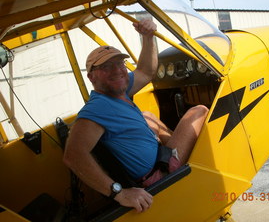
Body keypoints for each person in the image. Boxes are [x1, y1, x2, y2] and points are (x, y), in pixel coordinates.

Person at [63, 18, 208, 213]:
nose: (117, 70)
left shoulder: (118, 90)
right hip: (158, 176)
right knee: (198, 111)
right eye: (106, 67)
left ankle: (175, 150)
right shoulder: (97, 109)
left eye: (120, 63)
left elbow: (146, 71)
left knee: (147, 115)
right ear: (91, 77)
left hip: (156, 158)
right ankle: (184, 162)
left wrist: (147, 37)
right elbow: (73, 155)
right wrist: (120, 193)